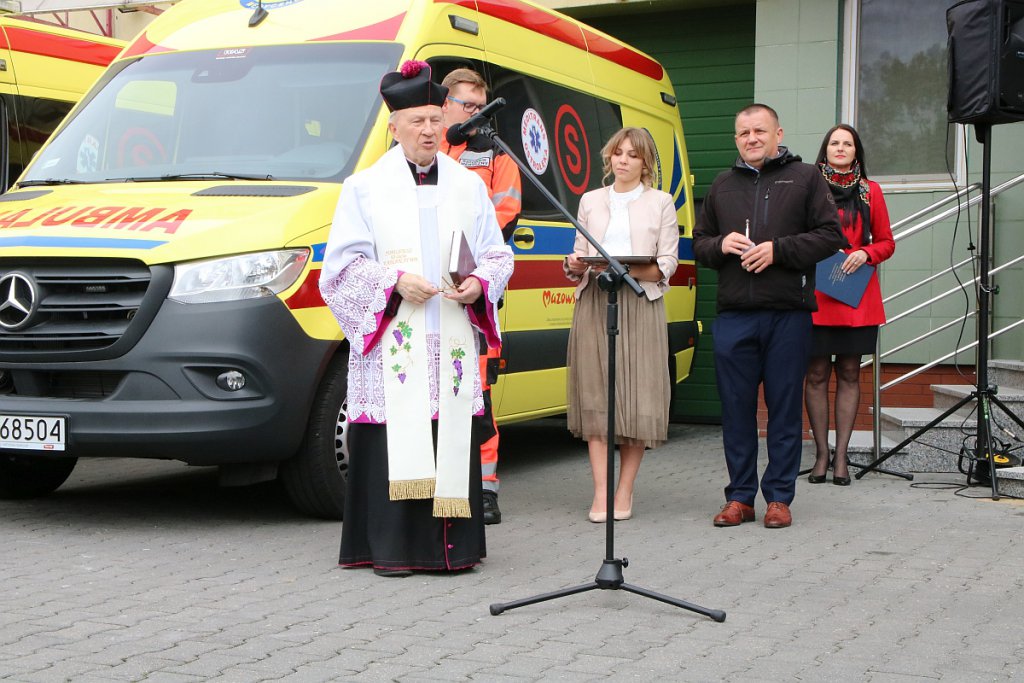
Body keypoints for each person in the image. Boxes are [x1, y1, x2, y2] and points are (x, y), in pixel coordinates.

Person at [319, 60, 514, 577]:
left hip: (449, 335)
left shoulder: (468, 185)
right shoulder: (364, 187)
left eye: (435, 119)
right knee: (393, 441)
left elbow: (497, 255)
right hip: (394, 341)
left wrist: (480, 283)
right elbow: (339, 269)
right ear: (394, 126)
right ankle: (391, 551)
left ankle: (451, 551)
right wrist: (392, 283)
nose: (429, 130)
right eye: (417, 122)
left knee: (449, 434)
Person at [692, 104, 845, 529]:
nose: (752, 138)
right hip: (735, 316)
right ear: (736, 138)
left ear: (779, 133)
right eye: (743, 133)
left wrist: (779, 250)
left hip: (787, 315)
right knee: (736, 411)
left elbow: (831, 235)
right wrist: (720, 245)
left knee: (782, 410)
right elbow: (699, 243)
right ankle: (740, 497)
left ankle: (779, 497)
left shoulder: (806, 178)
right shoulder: (723, 184)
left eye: (760, 130)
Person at [563, 127, 678, 523]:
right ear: (609, 158)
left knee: (637, 398)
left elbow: (667, 263)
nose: (623, 160)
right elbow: (577, 256)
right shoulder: (591, 200)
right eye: (617, 153)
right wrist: (574, 265)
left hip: (639, 301)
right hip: (595, 299)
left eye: (632, 154)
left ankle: (624, 490)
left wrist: (630, 267)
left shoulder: (662, 202)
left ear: (646, 163)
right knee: (597, 396)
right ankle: (599, 492)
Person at [440, 67, 522, 525]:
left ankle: (486, 488)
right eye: (466, 105)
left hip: (476, 292)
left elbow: (502, 219)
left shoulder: (497, 156)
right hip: (426, 290)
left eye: (479, 106)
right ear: (445, 104)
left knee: (479, 391)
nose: (473, 114)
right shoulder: (427, 150)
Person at [805, 124, 895, 486]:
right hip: (817, 295)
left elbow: (887, 242)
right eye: (834, 143)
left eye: (847, 143)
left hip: (856, 297)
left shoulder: (871, 191)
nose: (840, 148)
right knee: (814, 375)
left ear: (856, 152)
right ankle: (821, 455)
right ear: (825, 150)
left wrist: (865, 252)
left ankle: (841, 457)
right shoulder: (809, 187)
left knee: (849, 373)